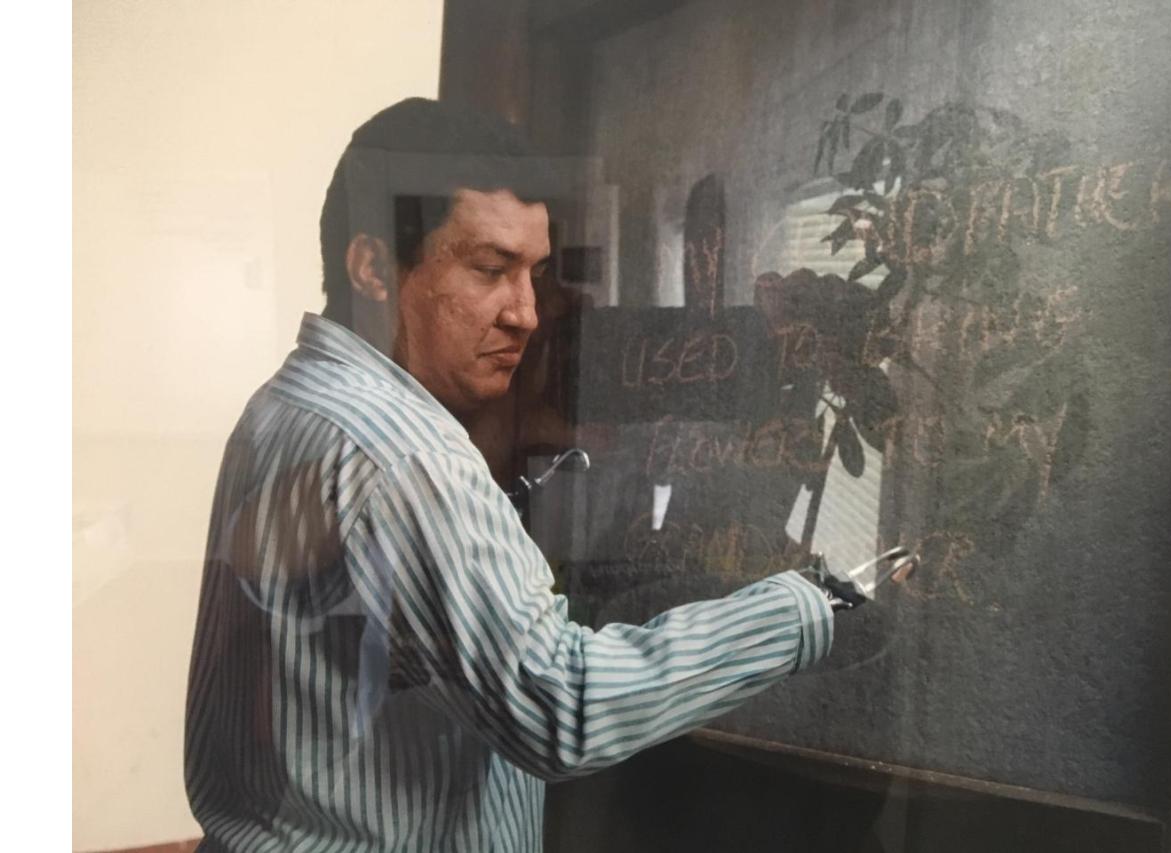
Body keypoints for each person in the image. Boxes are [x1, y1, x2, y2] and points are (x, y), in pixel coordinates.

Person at [184, 98, 848, 852]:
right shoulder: (410, 458)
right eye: (490, 270)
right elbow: (561, 707)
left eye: (533, 273)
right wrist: (804, 607)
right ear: (371, 266)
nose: (527, 314)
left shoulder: (285, 404)